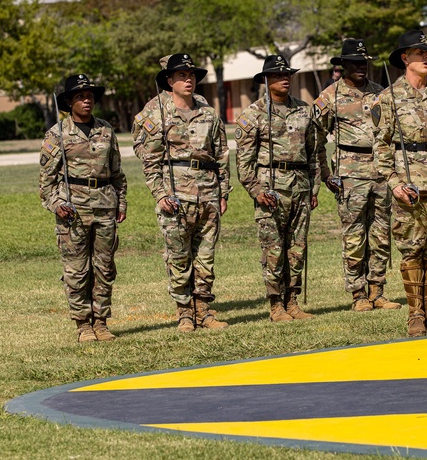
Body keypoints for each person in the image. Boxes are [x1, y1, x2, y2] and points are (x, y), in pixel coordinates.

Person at [373, 30, 427, 337]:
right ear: (404, 58)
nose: (426, 57)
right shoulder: (388, 98)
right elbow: (381, 145)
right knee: (412, 248)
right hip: (409, 183)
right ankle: (415, 314)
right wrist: (393, 181)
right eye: (419, 52)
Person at [132, 54, 231, 333]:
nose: (189, 80)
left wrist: (224, 190)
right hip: (176, 193)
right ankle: (184, 313)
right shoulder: (157, 112)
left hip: (208, 192)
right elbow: (148, 159)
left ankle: (203, 310)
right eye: (182, 76)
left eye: (192, 76)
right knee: (178, 257)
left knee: (206, 257)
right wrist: (160, 194)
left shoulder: (208, 111)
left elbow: (221, 152)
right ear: (169, 80)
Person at [39, 74, 127, 343]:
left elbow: (117, 173)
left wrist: (121, 202)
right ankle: (83, 325)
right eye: (80, 96)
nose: (87, 100)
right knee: (77, 270)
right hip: (73, 210)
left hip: (104, 206)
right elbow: (46, 181)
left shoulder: (105, 130)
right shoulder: (57, 134)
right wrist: (57, 205)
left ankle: (100, 322)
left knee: (104, 267)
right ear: (68, 102)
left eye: (89, 96)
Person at [314, 39, 400, 312]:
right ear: (343, 65)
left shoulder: (380, 93)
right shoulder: (330, 96)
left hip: (381, 172)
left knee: (381, 235)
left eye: (364, 62)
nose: (361, 67)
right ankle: (358, 294)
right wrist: (325, 174)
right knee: (354, 236)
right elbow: (315, 139)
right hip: (350, 174)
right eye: (355, 63)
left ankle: (378, 290)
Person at [235, 54, 322, 322]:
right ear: (265, 80)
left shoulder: (304, 110)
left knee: (297, 248)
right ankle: (276, 305)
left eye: (288, 75)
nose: (285, 79)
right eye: (277, 75)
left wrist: (314, 188)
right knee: (273, 249)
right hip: (270, 188)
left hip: (300, 186)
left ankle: (292, 301)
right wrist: (256, 190)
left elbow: (315, 153)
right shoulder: (253, 114)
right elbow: (244, 161)